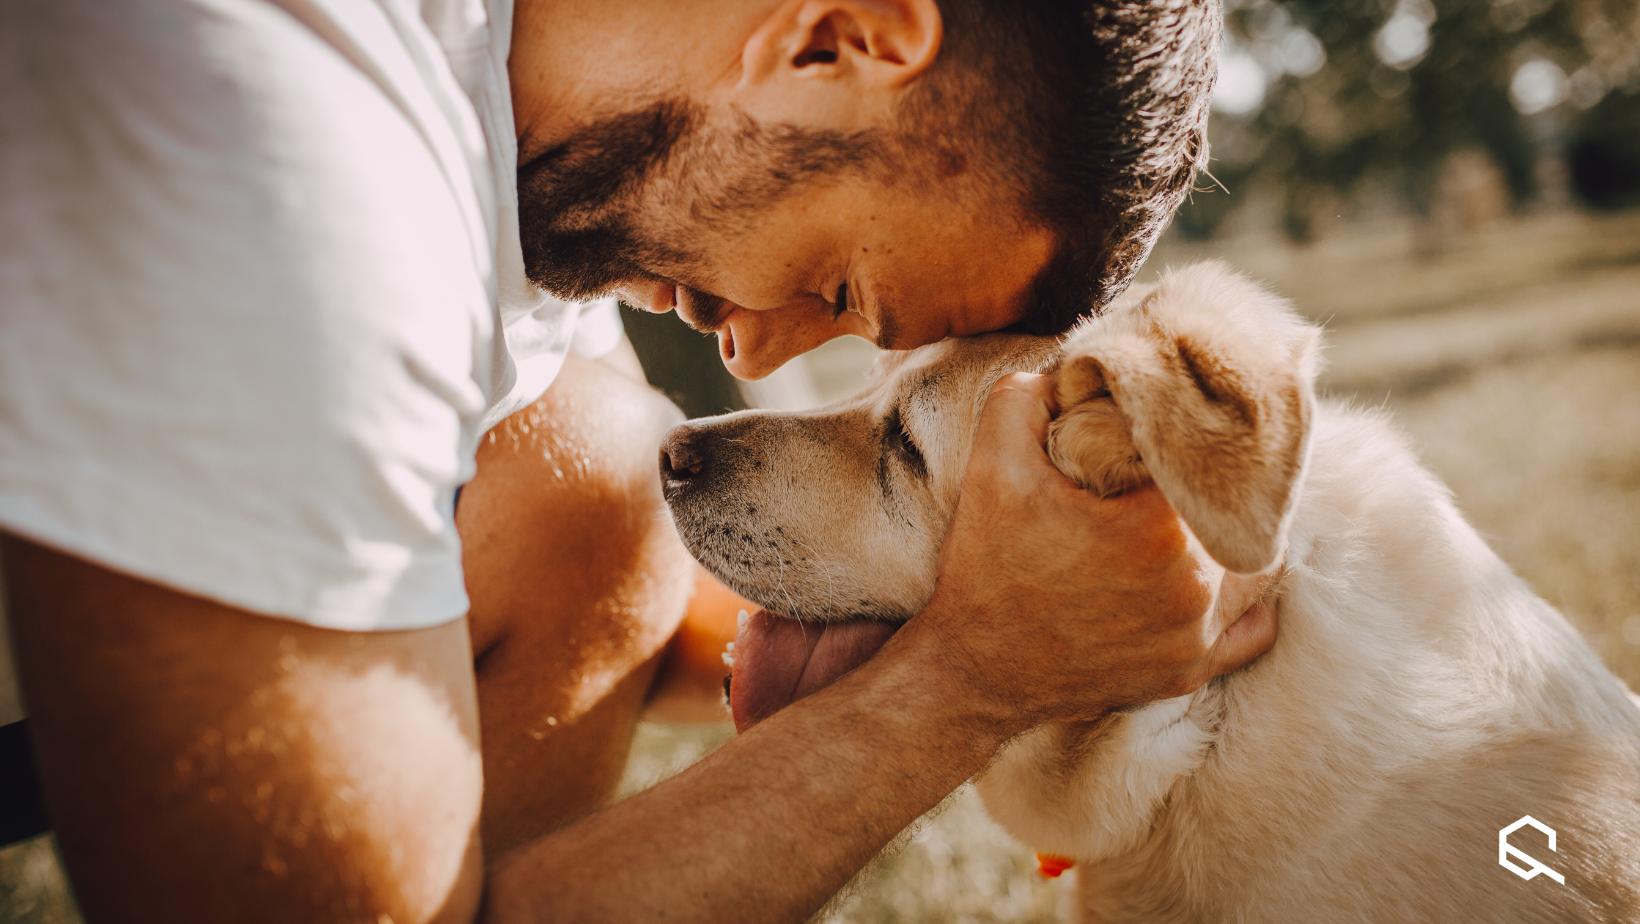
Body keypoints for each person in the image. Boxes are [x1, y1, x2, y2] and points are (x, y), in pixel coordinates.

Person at [0, 0, 1274, 921]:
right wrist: (968, 683)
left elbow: (633, 604)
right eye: (838, 281)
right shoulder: (280, 141)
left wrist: (1052, 611)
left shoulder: (520, 139)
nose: (762, 359)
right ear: (836, 38)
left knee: (588, 481)